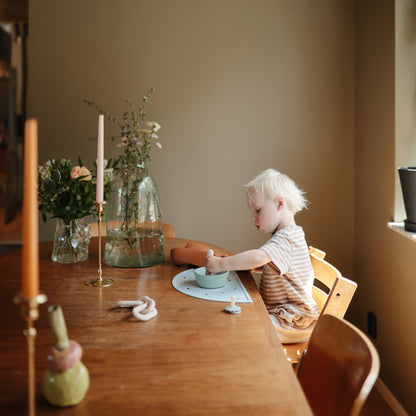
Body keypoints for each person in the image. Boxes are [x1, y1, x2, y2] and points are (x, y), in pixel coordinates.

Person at [205, 168, 319, 343]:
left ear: (279, 204)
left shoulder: (287, 238)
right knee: (237, 318)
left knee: (240, 329)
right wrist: (248, 266)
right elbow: (273, 265)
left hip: (291, 319)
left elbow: (259, 256)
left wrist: (221, 265)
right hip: (284, 313)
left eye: (258, 211)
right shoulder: (289, 235)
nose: (253, 217)